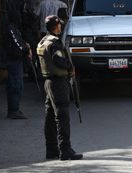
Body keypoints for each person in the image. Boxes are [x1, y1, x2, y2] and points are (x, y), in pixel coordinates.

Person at [37, 15, 83, 161]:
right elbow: (58, 61)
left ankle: (51, 150)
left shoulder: (43, 41)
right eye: (59, 25)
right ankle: (65, 150)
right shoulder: (55, 43)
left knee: (50, 117)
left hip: (48, 82)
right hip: (58, 83)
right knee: (62, 117)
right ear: (56, 26)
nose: (61, 27)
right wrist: (70, 68)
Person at [5, 8, 32, 119]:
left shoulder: (14, 28)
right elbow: (18, 44)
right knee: (15, 85)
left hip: (17, 59)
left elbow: (20, 42)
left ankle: (15, 109)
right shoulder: (11, 28)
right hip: (13, 60)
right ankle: (13, 110)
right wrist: (26, 49)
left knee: (18, 85)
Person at [22, 0, 44, 79]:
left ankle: (34, 73)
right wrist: (37, 32)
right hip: (30, 31)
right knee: (33, 53)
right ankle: (33, 74)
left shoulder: (32, 3)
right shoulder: (30, 3)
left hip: (31, 31)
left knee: (35, 52)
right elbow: (33, 19)